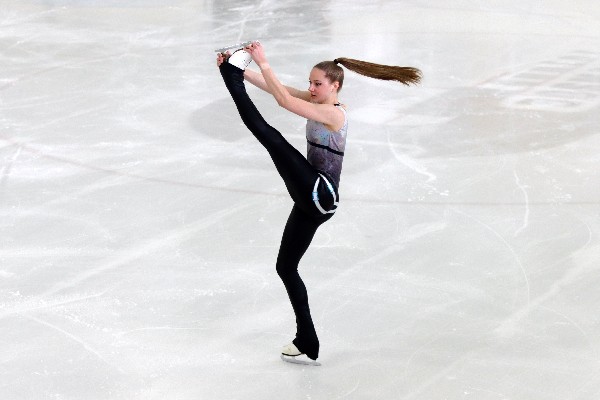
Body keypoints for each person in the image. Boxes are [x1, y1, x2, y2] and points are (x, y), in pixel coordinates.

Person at [216, 41, 421, 364]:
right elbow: (279, 90)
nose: (311, 88)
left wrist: (257, 63)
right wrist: (243, 69)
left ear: (335, 86)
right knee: (285, 267)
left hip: (319, 192)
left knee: (268, 136)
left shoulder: (332, 113)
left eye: (317, 84)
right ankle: (306, 338)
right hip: (313, 196)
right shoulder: (318, 101)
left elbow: (283, 101)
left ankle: (230, 80)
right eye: (310, 83)